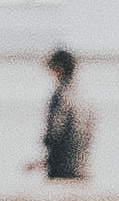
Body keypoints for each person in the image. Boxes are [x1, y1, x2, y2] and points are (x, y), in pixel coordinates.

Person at [33, 49, 93, 180]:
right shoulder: (84, 97)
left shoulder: (60, 97)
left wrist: (47, 159)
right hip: (82, 170)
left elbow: (54, 133)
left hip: (61, 171)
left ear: (58, 68)